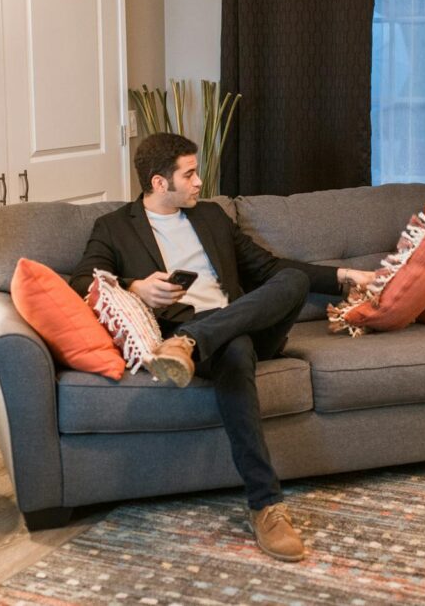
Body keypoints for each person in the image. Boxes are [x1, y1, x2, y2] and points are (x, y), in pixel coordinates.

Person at [69, 133, 375, 562]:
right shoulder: (115, 228)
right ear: (159, 182)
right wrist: (135, 286)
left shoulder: (211, 217)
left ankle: (187, 344)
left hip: (222, 331)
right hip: (217, 339)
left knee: (293, 280)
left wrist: (344, 275)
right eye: (189, 174)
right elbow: (81, 280)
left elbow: (270, 269)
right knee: (235, 351)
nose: (199, 182)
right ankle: (267, 505)